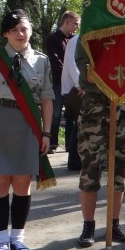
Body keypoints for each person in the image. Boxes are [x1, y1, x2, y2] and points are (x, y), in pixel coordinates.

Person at [0, 10, 53, 250]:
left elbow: (47, 99)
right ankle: (1, 241)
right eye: (15, 29)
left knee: (22, 184)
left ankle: (18, 238)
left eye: (24, 29)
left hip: (27, 124)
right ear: (6, 33)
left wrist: (47, 132)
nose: (20, 34)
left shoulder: (41, 61)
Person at [75, 39, 125, 248]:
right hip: (94, 105)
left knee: (120, 166)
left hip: (121, 103)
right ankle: (88, 226)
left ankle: (114, 224)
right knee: (90, 166)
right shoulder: (87, 36)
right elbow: (86, 72)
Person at [44, 11, 80, 153]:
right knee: (56, 112)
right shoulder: (53, 38)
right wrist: (67, 71)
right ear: (66, 22)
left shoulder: (75, 39)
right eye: (75, 24)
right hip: (58, 81)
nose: (77, 27)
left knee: (71, 114)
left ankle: (70, 144)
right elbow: (55, 60)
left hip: (74, 82)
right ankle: (52, 143)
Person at [60, 33, 82, 172]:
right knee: (81, 124)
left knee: (80, 125)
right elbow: (73, 64)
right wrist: (81, 85)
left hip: (78, 88)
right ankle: (75, 161)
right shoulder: (76, 40)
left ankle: (76, 161)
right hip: (76, 90)